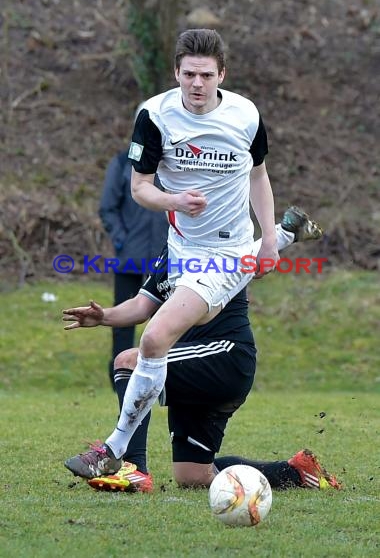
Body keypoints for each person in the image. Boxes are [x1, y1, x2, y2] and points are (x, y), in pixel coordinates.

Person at [64, 28, 296, 477]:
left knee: (152, 340)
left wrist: (267, 239)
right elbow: (139, 189)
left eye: (206, 75)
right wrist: (175, 202)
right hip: (180, 248)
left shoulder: (246, 115)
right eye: (188, 74)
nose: (196, 84)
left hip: (227, 254)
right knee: (191, 476)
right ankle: (288, 472)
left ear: (221, 75)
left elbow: (259, 177)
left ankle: (115, 452)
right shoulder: (155, 115)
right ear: (176, 72)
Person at [64, 208, 341, 492]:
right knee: (193, 476)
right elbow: (140, 306)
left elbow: (256, 256)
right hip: (192, 362)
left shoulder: (225, 249)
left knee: (129, 361)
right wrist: (103, 317)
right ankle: (297, 472)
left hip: (226, 357)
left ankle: (131, 467)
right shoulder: (170, 255)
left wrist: (282, 234)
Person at [99, 152, 168, 388]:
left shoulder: (176, 162)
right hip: (129, 257)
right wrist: (122, 240)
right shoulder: (121, 164)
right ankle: (120, 376)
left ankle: (160, 374)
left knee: (165, 319)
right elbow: (108, 207)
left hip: (166, 259)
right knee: (122, 320)